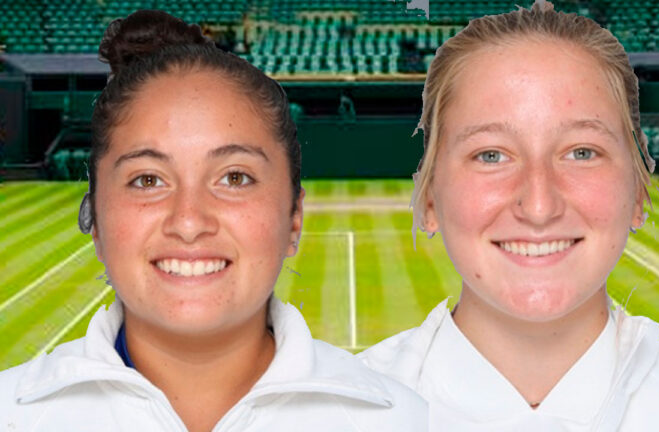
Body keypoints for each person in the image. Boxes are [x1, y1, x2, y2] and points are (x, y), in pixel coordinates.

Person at [0, 10, 426, 432]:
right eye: (148, 180)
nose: (188, 222)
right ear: (95, 217)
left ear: (294, 217)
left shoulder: (408, 422)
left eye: (234, 178)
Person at [359, 1, 659, 430]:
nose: (539, 206)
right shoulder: (327, 417)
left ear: (637, 194)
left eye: (582, 152)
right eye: (491, 155)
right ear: (428, 200)